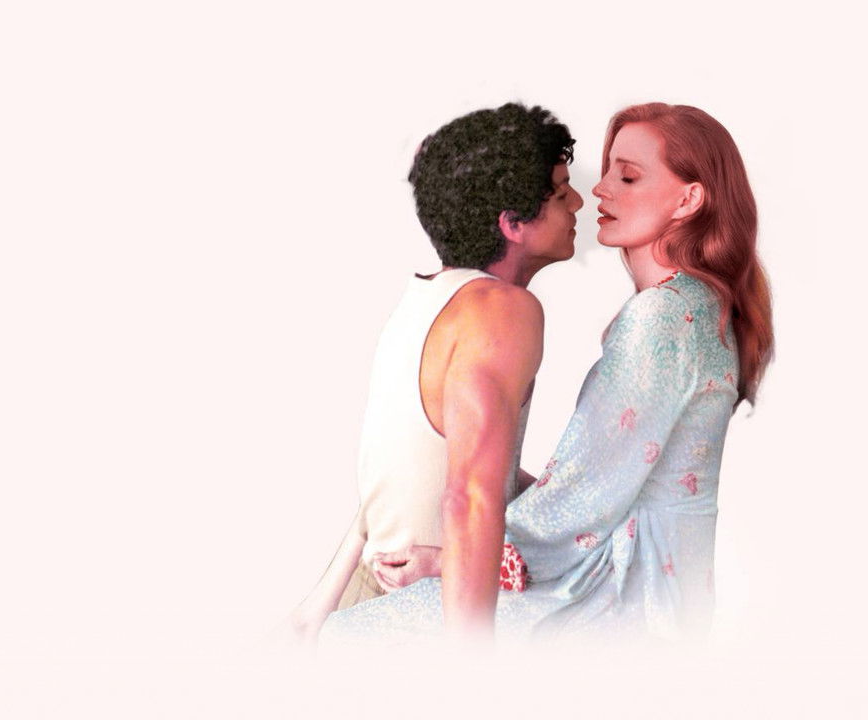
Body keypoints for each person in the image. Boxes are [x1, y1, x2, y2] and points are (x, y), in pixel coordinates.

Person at [319, 101, 773, 645]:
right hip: (668, 590)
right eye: (605, 171)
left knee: (350, 639)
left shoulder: (661, 317)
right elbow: (589, 484)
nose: (597, 191)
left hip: (628, 598)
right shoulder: (695, 307)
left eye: (627, 176)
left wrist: (453, 559)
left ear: (688, 199)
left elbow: (578, 503)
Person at [282, 103, 582, 643]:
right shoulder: (500, 310)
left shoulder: (426, 301)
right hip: (418, 612)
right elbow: (469, 498)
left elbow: (421, 466)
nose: (579, 202)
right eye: (561, 194)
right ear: (512, 224)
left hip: (373, 597)